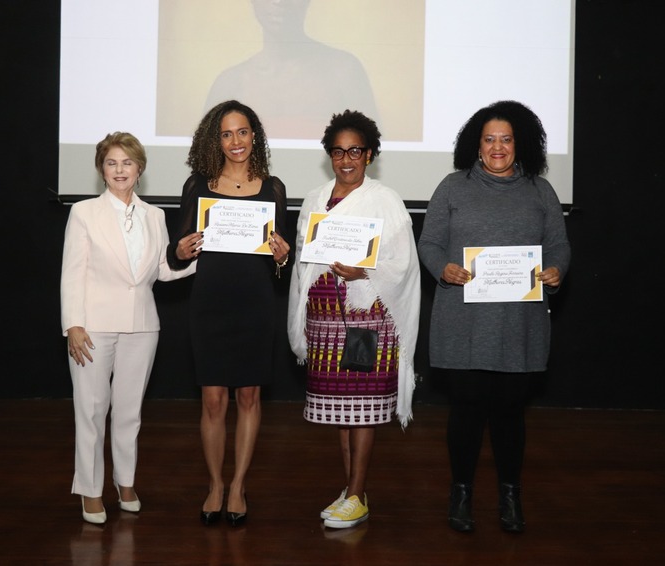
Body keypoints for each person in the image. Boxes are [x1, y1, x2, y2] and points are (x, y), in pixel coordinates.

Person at [417, 100, 571, 534]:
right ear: (476, 144)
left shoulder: (541, 191)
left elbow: (559, 245)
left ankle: (510, 495)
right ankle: (461, 492)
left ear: (520, 144)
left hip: (518, 324)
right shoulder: (452, 187)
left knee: (509, 413)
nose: (497, 147)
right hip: (461, 322)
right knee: (465, 411)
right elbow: (429, 244)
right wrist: (442, 269)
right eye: (489, 139)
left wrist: (557, 270)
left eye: (506, 139)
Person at [287, 110, 420, 529]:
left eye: (356, 151)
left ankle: (359, 494)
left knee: (362, 407)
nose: (346, 159)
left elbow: (402, 264)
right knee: (339, 411)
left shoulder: (386, 200)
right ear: (330, 154)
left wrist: (364, 271)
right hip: (324, 320)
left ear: (370, 154)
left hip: (367, 317)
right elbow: (303, 262)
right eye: (338, 151)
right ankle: (350, 489)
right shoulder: (314, 199)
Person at [167, 100, 291, 527]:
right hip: (210, 304)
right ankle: (215, 485)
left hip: (255, 304)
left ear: (254, 135)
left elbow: (281, 259)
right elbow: (177, 248)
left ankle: (238, 486)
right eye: (226, 134)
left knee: (249, 396)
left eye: (242, 132)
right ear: (214, 139)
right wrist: (180, 250)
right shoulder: (198, 184)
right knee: (214, 399)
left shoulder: (273, 187)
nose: (235, 141)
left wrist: (281, 256)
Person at [60, 132, 194, 524]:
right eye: (112, 163)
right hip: (93, 327)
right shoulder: (84, 212)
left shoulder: (155, 216)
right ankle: (89, 489)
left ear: (140, 169)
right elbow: (72, 273)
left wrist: (198, 255)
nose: (120, 170)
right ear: (102, 169)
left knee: (130, 412)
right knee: (91, 410)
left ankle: (125, 482)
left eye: (127, 163)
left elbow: (163, 272)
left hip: (142, 326)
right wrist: (73, 324)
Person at [203, 0, 379, 139]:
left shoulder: (343, 71)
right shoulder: (229, 84)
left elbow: (374, 153)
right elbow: (204, 163)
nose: (280, 1)